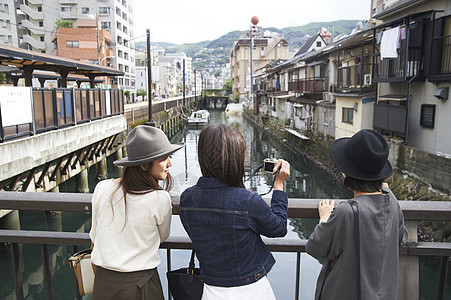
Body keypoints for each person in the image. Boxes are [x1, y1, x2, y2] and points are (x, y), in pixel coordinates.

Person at [179, 123, 291, 300]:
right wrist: (278, 186)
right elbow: (278, 228)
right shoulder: (247, 201)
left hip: (211, 288)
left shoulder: (187, 199)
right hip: (252, 289)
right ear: (235, 160)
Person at [306, 129, 408, 300]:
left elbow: (315, 247)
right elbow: (401, 238)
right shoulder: (392, 201)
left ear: (346, 175)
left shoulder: (347, 211)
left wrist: (324, 219)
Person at [89, 125, 184, 299]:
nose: (170, 163)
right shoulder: (160, 199)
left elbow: (95, 235)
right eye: (164, 158)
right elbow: (162, 236)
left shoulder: (102, 188)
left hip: (104, 283)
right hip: (142, 285)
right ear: (144, 166)